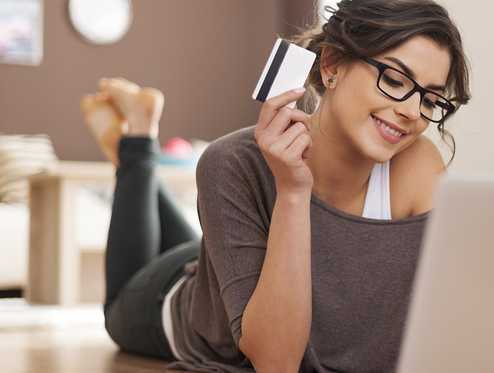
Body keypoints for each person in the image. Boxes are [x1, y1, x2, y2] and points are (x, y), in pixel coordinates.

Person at [81, 0, 471, 371]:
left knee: (216, 250)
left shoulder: (418, 165)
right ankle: (137, 143)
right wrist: (293, 192)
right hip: (175, 300)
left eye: (430, 99)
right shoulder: (232, 162)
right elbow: (277, 363)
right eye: (395, 79)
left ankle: (138, 147)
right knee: (116, 311)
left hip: (229, 259)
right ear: (332, 65)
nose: (410, 111)